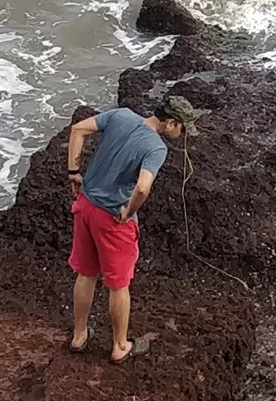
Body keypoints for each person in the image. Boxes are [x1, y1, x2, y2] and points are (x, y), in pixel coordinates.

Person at [66, 95, 198, 362]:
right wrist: (129, 212)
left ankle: (79, 336)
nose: (182, 135)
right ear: (171, 123)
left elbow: (77, 129)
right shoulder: (155, 148)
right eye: (182, 129)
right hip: (112, 219)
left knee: (86, 273)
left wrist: (73, 172)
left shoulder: (121, 115)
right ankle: (119, 346)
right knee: (118, 284)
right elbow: (142, 187)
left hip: (85, 206)